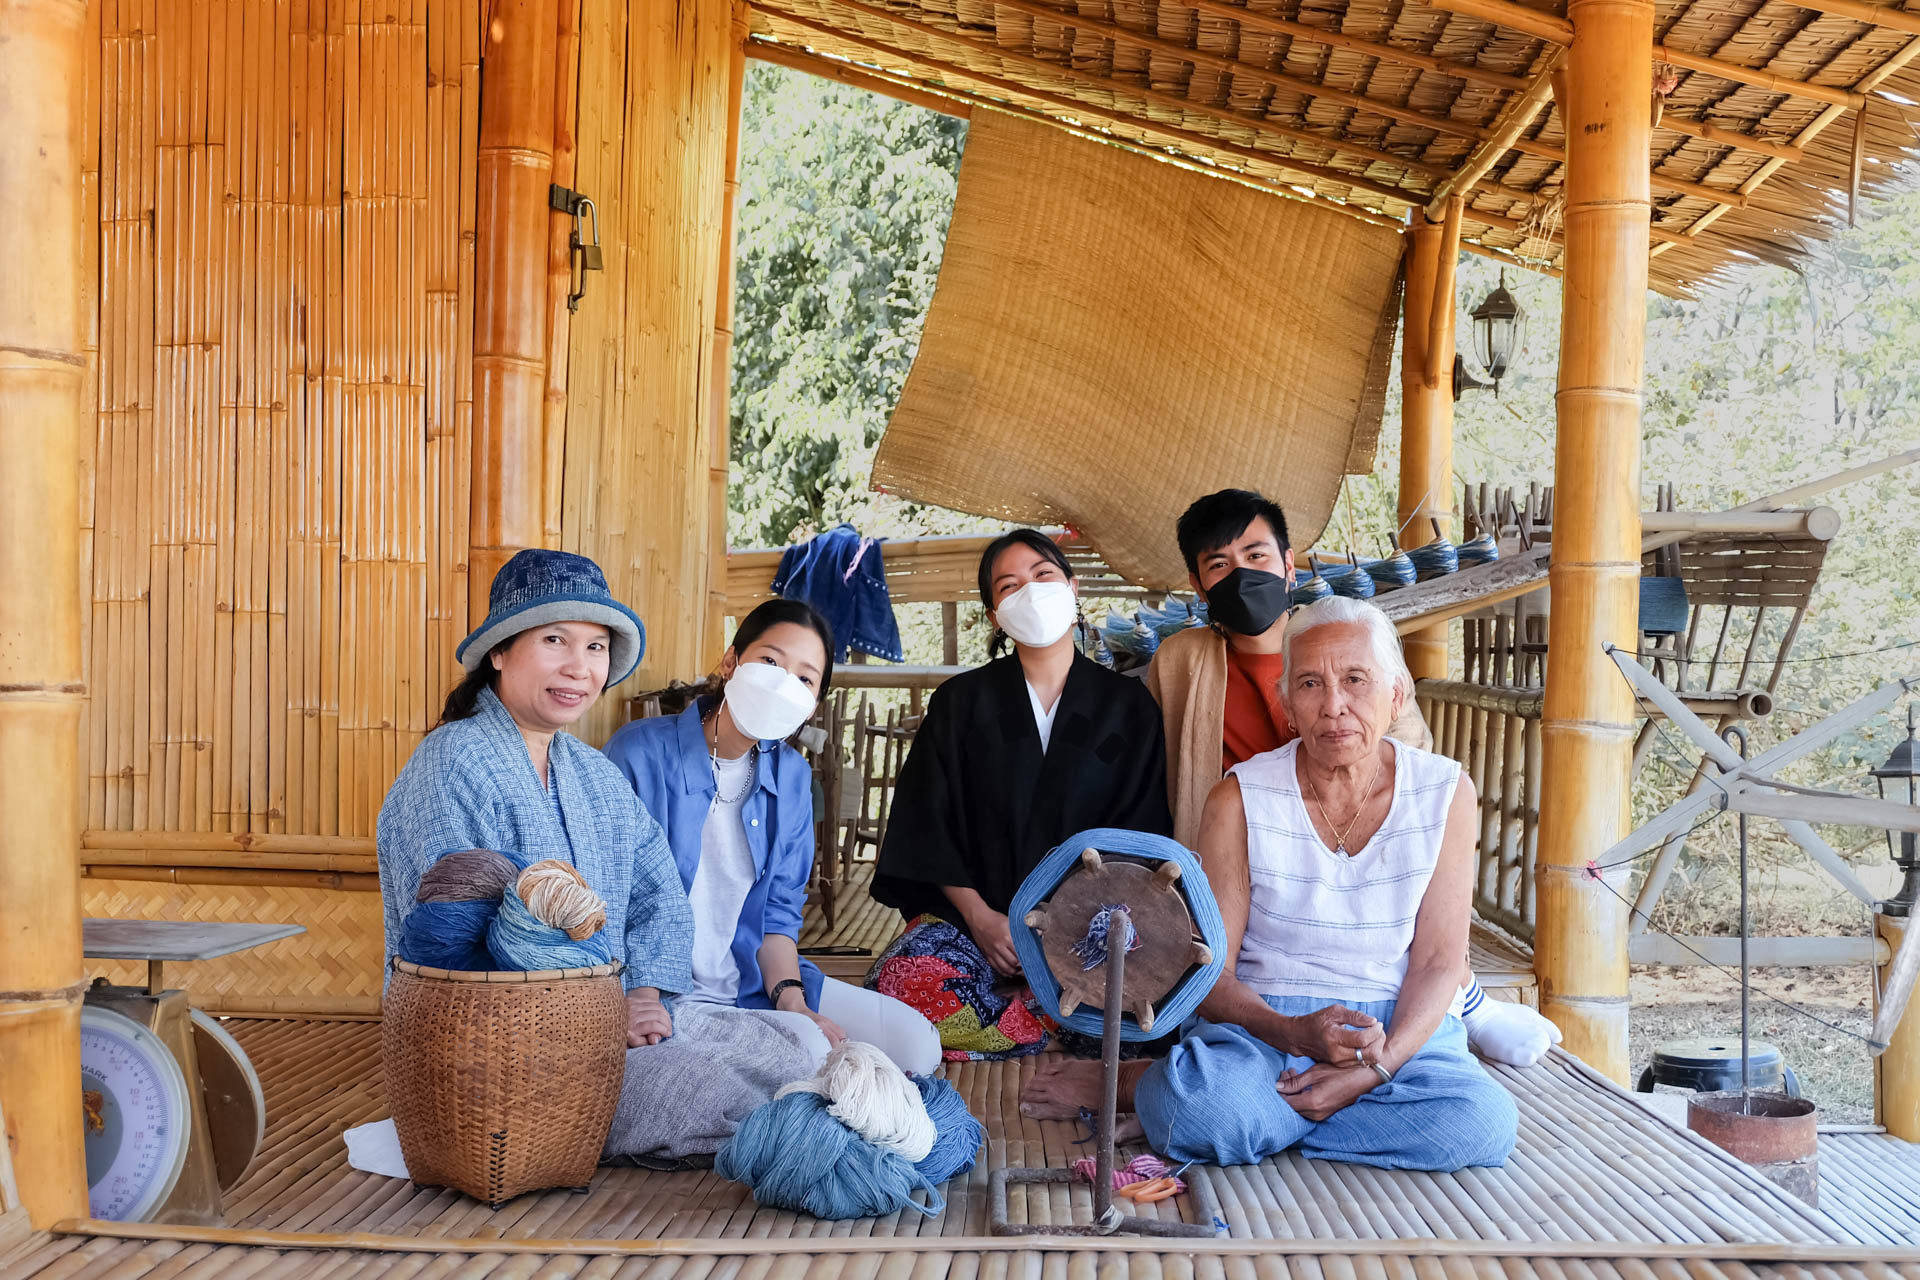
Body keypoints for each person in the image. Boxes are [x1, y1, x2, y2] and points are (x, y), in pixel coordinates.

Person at [1032, 598, 1519, 1171]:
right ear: (1286, 702)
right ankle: (1248, 1109)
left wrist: (1372, 1072)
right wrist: (1291, 1032)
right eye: (1310, 683)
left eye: (1355, 680)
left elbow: (1440, 961)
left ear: (1395, 696)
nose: (1333, 705)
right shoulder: (1239, 798)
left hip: (1394, 1033)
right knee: (1197, 1111)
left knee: (1481, 1126)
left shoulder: (1444, 793)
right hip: (1264, 1028)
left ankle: (1260, 1118)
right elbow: (1210, 969)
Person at [377, 550, 818, 1166]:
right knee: (709, 1094)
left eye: (595, 647)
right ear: (500, 650)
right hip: (500, 1047)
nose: (579, 667)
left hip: (608, 1019)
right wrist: (597, 1015)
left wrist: (642, 995)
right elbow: (454, 938)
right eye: (556, 639)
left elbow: (659, 894)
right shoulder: (455, 761)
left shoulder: (592, 773)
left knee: (792, 1053)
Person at [1141, 488, 1558, 1069]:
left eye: (1256, 556)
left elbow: (1408, 758)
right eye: (1220, 565)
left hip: (1358, 846)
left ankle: (1462, 1001)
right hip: (1251, 851)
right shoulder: (1182, 661)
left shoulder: (1345, 637)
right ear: (1198, 584)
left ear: (1289, 565)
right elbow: (1155, 758)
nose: (1241, 575)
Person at [867, 528, 1175, 1058]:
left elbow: (1140, 836)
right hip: (978, 926)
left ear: (1072, 588)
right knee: (898, 986)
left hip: (1088, 936)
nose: (1029, 592)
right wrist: (985, 922)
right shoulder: (959, 704)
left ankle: (1032, 1014)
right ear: (994, 615)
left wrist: (1063, 935)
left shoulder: (1129, 705)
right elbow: (926, 824)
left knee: (1151, 1011)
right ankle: (1048, 1019)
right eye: (1008, 586)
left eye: (1043, 576)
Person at [604, 599, 940, 1076]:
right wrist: (640, 994)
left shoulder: (794, 775)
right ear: (730, 662)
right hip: (658, 993)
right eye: (770, 661)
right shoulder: (639, 751)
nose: (784, 683)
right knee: (812, 1058)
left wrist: (792, 1000)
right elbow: (607, 896)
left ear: (813, 702)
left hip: (750, 981)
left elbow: (778, 914)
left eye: (804, 678)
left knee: (917, 1049)